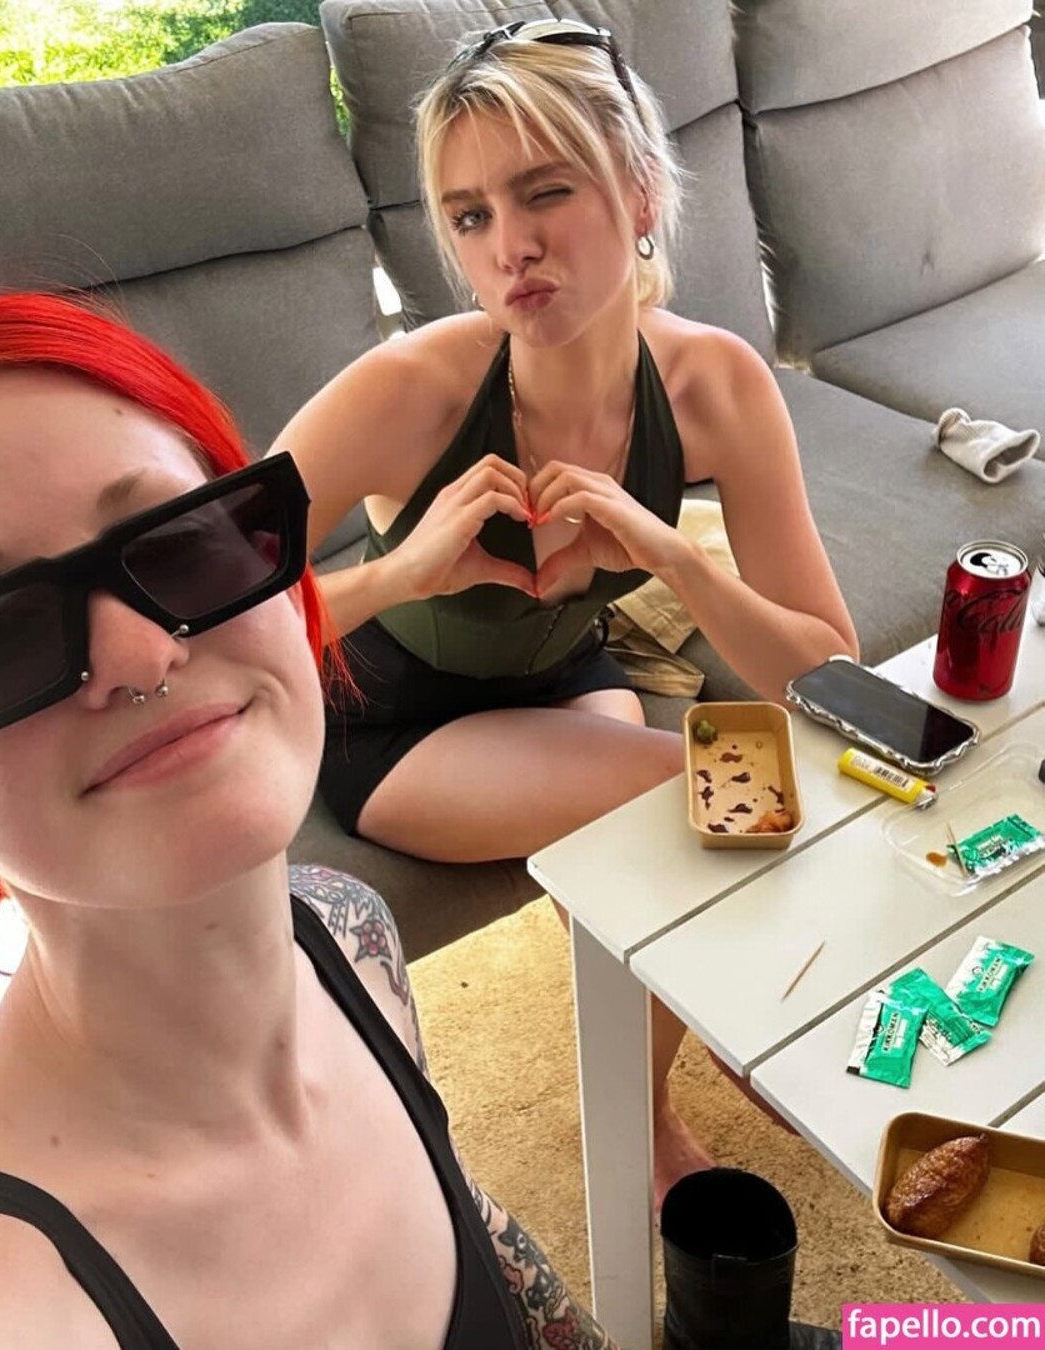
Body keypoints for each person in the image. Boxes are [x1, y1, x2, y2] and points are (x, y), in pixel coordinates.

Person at [273, 18, 859, 1204]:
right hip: (391, 720)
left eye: (546, 192)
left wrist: (676, 558)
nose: (512, 247)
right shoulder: (407, 392)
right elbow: (190, 622)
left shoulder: (714, 386)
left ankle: (675, 1046)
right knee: (682, 798)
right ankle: (652, 1109)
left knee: (733, 793)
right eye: (470, 215)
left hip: (567, 672)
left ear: (640, 192)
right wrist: (398, 574)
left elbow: (827, 676)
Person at [0, 290, 618, 1349]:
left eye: (176, 543)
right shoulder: (9, 1308)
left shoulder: (348, 939)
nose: (142, 656)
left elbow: (492, 1256)